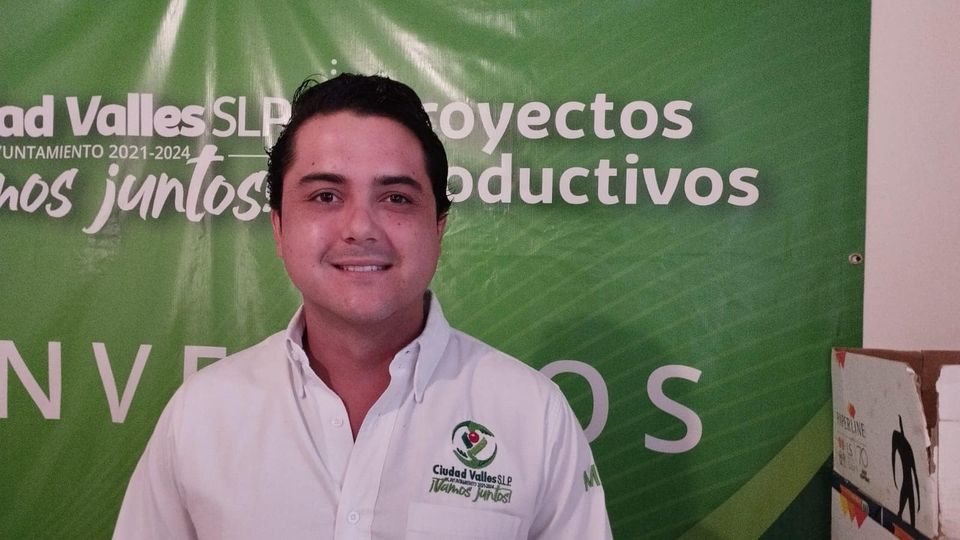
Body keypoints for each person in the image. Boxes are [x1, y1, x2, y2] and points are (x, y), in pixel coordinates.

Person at [114, 73, 612, 539]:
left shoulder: (534, 417)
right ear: (279, 228)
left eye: (395, 198)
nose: (361, 227)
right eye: (326, 196)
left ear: (438, 228)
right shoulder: (201, 414)